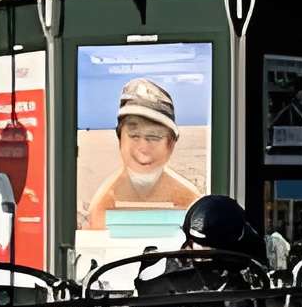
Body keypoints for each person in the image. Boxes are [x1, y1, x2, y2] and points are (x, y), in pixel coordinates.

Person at [80, 78, 207, 229]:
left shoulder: (191, 202)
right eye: (134, 136)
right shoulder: (102, 205)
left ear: (171, 143)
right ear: (119, 138)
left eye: (154, 137)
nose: (143, 149)